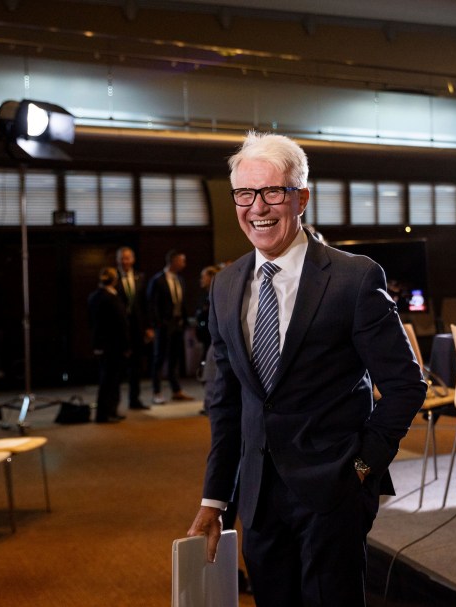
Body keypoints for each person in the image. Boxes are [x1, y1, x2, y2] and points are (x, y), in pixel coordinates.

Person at [186, 131, 427, 606]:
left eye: (272, 192)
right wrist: (215, 498)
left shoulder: (353, 278)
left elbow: (405, 385)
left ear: (301, 197)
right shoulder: (225, 286)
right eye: (244, 194)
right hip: (256, 499)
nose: (258, 207)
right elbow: (226, 402)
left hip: (334, 493)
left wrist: (362, 467)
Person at [147, 248, 192, 404]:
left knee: (174, 359)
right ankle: (156, 391)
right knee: (159, 358)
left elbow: (182, 303)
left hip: (178, 324)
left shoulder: (180, 279)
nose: (184, 263)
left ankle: (176, 390)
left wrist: (184, 321)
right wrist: (156, 324)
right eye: (182, 260)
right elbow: (152, 305)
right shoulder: (158, 280)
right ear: (173, 261)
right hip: (163, 325)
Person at [86, 267, 129, 423]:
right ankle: (105, 413)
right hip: (113, 345)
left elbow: (92, 323)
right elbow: (121, 324)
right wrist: (126, 345)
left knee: (109, 379)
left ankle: (109, 411)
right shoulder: (111, 298)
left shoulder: (94, 297)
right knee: (110, 380)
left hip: (102, 343)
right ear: (115, 280)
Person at [116, 246, 154, 411]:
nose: (125, 261)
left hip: (137, 328)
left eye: (128, 258)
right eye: (122, 258)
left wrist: (149, 327)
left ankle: (134, 400)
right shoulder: (113, 277)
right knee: (118, 367)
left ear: (133, 259)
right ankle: (113, 403)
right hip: (119, 328)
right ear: (118, 260)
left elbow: (146, 304)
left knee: (136, 367)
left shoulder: (140, 277)